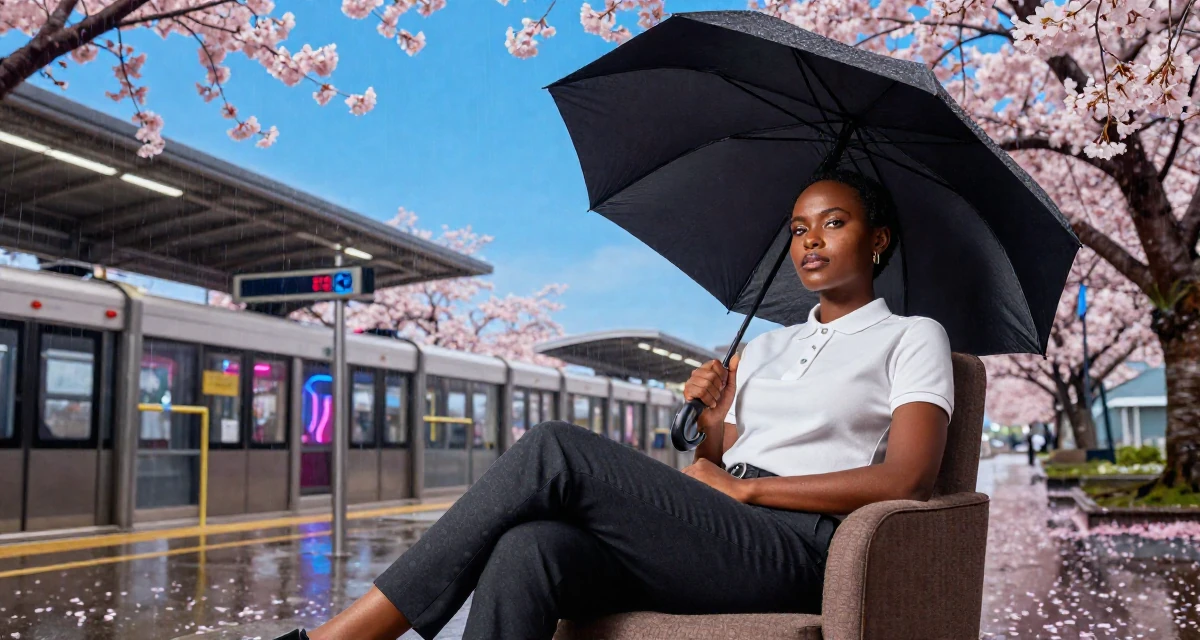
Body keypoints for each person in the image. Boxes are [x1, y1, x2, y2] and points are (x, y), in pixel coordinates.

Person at [272, 170, 955, 640]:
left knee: (554, 448)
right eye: (799, 228)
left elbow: (908, 479)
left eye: (833, 223)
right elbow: (719, 464)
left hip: (802, 550)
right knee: (527, 549)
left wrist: (750, 498)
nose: (810, 241)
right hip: (724, 528)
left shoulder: (912, 337)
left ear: (878, 240)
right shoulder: (767, 349)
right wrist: (711, 422)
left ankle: (351, 635)